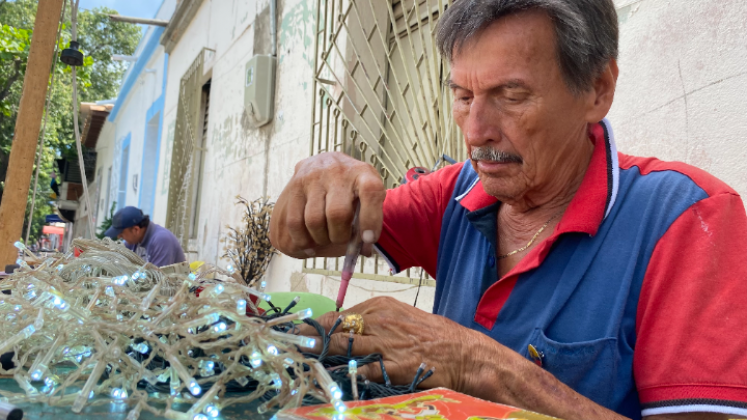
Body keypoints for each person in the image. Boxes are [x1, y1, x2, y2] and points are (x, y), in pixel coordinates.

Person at [269, 1, 747, 419]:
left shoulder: (686, 218)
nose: (476, 132)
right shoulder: (456, 192)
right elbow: (298, 237)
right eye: (463, 96)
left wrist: (476, 363)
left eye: (511, 96)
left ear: (598, 89)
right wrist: (313, 184)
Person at [105, 206, 186, 267]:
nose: (119, 237)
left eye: (121, 233)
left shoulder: (161, 240)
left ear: (136, 230)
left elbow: (158, 280)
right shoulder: (134, 241)